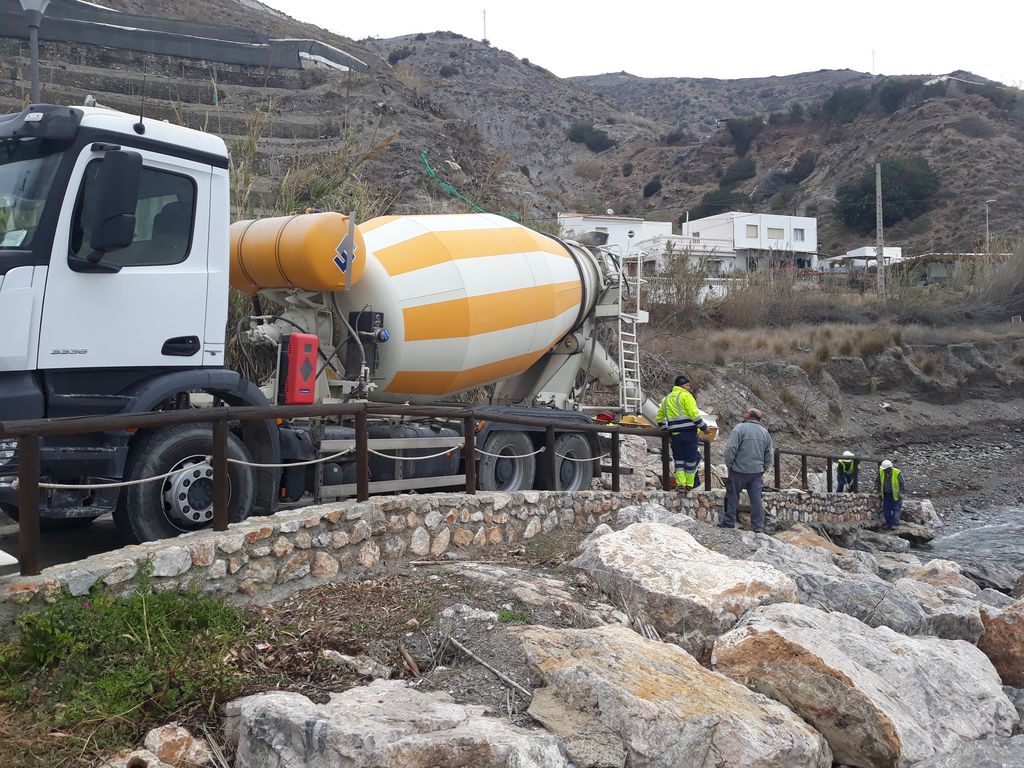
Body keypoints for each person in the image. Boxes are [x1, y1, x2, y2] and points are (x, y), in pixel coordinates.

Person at [721, 408, 775, 533]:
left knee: (732, 496)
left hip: (738, 470)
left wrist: (730, 465)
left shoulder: (739, 428)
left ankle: (728, 522)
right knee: (756, 500)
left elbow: (731, 449)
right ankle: (757, 527)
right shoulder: (764, 432)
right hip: (756, 473)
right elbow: (769, 454)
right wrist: (763, 469)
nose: (743, 413)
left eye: (745, 412)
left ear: (750, 416)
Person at [656, 374, 708, 492]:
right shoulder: (686, 396)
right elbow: (694, 415)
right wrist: (704, 427)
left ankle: (681, 485)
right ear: (682, 386)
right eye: (688, 385)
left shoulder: (666, 399)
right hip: (690, 434)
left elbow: (659, 418)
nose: (689, 387)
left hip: (675, 436)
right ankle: (689, 484)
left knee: (679, 461)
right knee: (690, 460)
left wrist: (666, 431)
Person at [875, 459, 905, 530]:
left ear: (889, 468)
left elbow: (902, 483)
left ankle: (894, 524)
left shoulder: (897, 472)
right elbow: (877, 482)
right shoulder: (881, 472)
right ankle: (888, 523)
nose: (884, 471)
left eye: (885, 469)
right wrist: (876, 489)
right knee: (886, 510)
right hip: (886, 495)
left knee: (896, 510)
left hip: (896, 495)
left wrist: (901, 492)